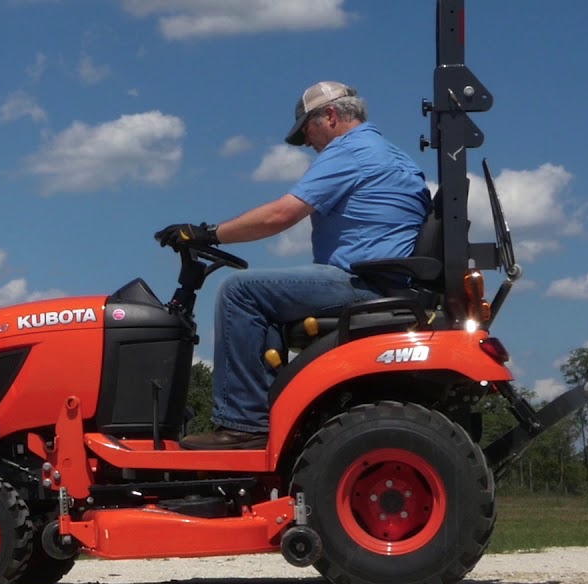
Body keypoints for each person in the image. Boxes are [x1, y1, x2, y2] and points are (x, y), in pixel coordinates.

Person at [156, 81, 431, 450]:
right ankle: (270, 415)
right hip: (386, 281)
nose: (307, 143)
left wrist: (208, 233)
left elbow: (282, 215)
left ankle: (243, 424)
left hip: (362, 282)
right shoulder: (394, 155)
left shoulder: (350, 151)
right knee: (264, 301)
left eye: (307, 131)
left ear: (330, 116)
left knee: (239, 291)